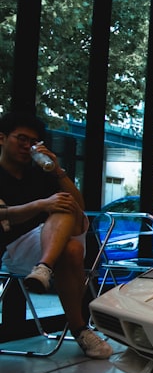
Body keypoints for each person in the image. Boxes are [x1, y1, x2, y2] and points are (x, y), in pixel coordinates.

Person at [0, 111, 112, 359]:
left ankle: (44, 267)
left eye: (33, 141)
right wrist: (41, 205)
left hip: (47, 244)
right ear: (2, 138)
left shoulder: (39, 173)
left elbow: (80, 207)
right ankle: (80, 329)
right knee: (71, 251)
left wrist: (58, 170)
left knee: (65, 204)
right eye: (21, 138)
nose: (27, 145)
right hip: (14, 249)